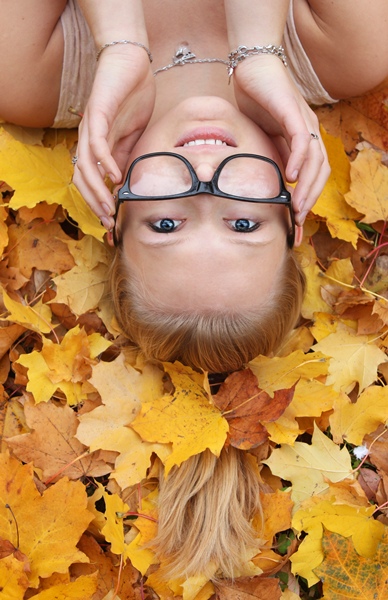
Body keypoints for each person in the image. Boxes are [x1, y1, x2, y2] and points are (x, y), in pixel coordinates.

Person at [0, 0, 387, 581]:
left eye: (165, 225)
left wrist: (121, 42)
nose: (205, 177)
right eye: (242, 224)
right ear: (292, 214)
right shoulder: (348, 48)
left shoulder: (25, 74)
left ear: (116, 214)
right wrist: (259, 48)